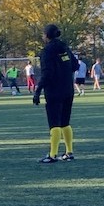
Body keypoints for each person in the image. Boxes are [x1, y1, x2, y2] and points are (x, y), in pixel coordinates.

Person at [33, 24, 79, 163]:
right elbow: (75, 65)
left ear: (47, 35)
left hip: (54, 91)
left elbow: (47, 73)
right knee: (65, 122)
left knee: (54, 123)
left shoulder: (47, 51)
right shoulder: (64, 46)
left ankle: (52, 155)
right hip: (68, 90)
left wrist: (38, 91)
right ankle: (69, 152)